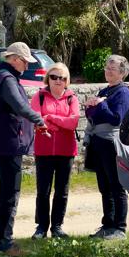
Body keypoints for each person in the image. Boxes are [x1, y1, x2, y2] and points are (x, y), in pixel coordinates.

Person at [0, 43, 47, 256]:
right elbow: (21, 107)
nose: (26, 66)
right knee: (11, 193)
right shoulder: (7, 79)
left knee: (6, 191)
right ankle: (5, 241)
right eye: (24, 61)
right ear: (14, 59)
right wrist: (39, 120)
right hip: (9, 143)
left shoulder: (0, 77)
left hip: (1, 142)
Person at [30, 63, 81, 239]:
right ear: (48, 79)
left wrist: (51, 118)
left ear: (67, 81)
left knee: (62, 191)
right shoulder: (39, 97)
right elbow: (37, 121)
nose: (58, 80)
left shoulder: (72, 98)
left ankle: (57, 226)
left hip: (66, 151)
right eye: (54, 77)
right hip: (44, 151)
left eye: (62, 78)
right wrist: (60, 123)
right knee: (43, 191)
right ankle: (41, 227)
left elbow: (73, 122)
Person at [87, 55, 129, 240]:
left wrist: (101, 105)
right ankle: (108, 225)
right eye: (106, 67)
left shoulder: (123, 93)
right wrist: (92, 106)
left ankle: (120, 228)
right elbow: (92, 115)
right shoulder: (104, 90)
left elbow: (116, 119)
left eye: (112, 69)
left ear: (122, 73)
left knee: (117, 186)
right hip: (99, 143)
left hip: (112, 144)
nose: (107, 71)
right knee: (104, 187)